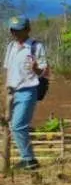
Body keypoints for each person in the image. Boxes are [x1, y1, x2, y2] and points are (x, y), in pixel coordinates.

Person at [4, 15, 50, 171]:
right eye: (12, 30)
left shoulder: (36, 47)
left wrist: (36, 69)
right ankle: (26, 159)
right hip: (12, 90)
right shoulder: (11, 46)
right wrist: (7, 90)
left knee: (18, 126)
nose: (14, 33)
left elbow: (44, 71)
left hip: (28, 90)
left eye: (18, 30)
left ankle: (29, 160)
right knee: (11, 123)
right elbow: (9, 69)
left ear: (27, 30)